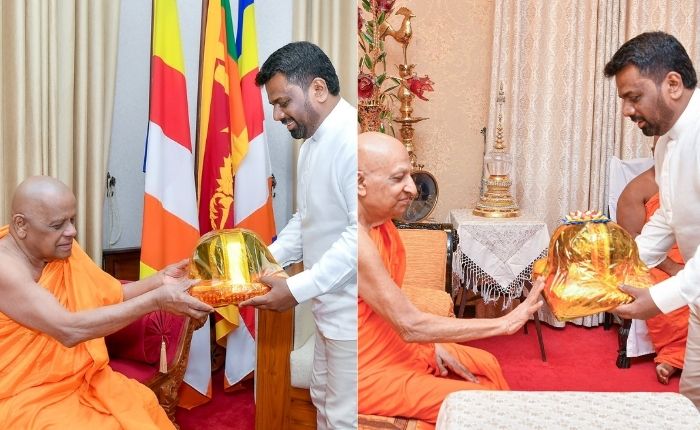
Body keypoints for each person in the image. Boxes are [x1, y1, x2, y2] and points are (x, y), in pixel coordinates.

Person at [357, 132, 544, 424]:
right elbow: (408, 325)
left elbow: (391, 305)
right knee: (483, 405)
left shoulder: (382, 225)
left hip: (397, 345)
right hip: (365, 372)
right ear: (359, 183)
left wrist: (432, 345)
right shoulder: (355, 242)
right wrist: (505, 323)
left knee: (487, 364)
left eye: (410, 176)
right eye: (398, 178)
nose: (412, 189)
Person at [0, 176, 213, 428]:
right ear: (20, 225)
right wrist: (156, 301)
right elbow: (68, 329)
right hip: (24, 393)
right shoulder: (6, 269)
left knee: (141, 403)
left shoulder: (61, 252)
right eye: (57, 225)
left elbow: (111, 294)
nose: (71, 232)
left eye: (72, 220)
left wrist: (159, 280)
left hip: (80, 378)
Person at [242, 41, 357, 429]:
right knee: (322, 400)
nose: (277, 115)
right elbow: (306, 221)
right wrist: (258, 263)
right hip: (325, 309)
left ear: (318, 89)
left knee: (341, 419)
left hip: (351, 317)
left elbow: (359, 239)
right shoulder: (311, 144)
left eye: (283, 102)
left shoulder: (353, 141)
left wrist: (294, 288)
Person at [605, 31, 700, 405]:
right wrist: (622, 272)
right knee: (691, 401)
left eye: (634, 97)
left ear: (672, 84)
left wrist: (660, 298)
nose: (627, 111)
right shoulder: (667, 143)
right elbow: (666, 218)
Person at [617, 161, 688, 385]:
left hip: (690, 256)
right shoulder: (637, 190)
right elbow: (633, 247)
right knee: (662, 289)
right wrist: (674, 269)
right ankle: (676, 355)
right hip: (658, 263)